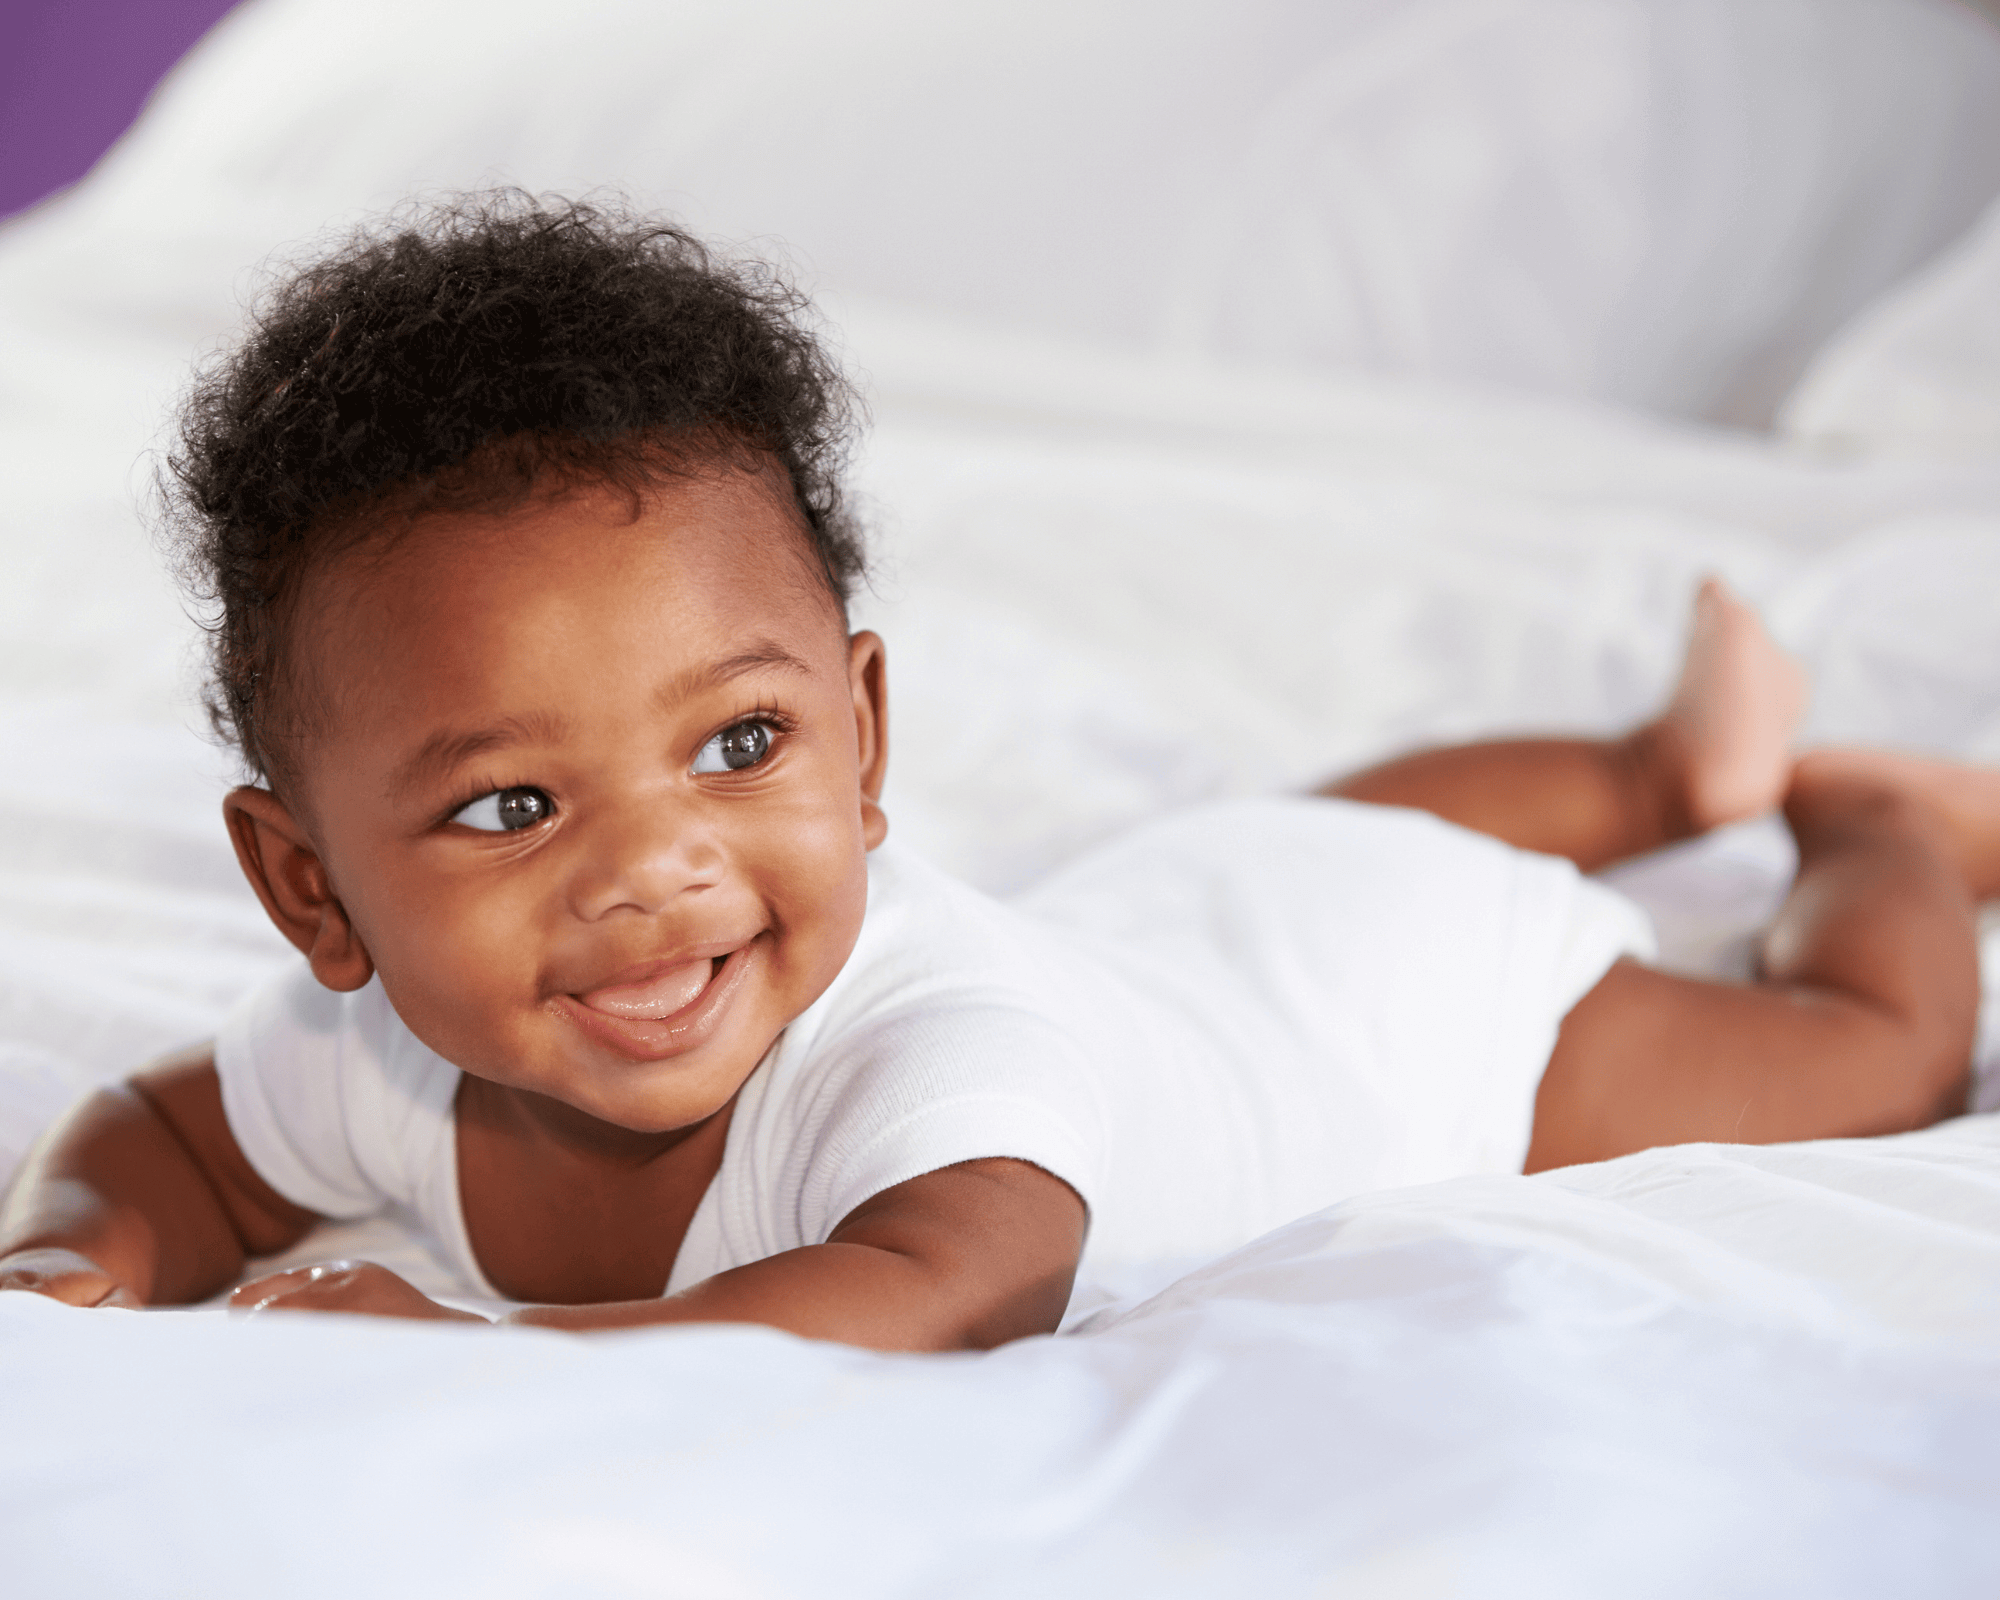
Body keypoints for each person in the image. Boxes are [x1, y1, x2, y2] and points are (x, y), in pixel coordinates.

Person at [0, 196, 1990, 1347]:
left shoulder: (941, 1058)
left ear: (866, 738)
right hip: (1199, 908)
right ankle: (1648, 766)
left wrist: (481, 1355)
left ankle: (1854, 814)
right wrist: (73, 1256)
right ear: (311, 891)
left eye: (739, 741)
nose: (653, 868)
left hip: (1407, 1022)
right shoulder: (371, 1061)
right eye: (511, 806)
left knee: (1854, 1051)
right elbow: (165, 1141)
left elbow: (943, 1282)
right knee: (1300, 836)